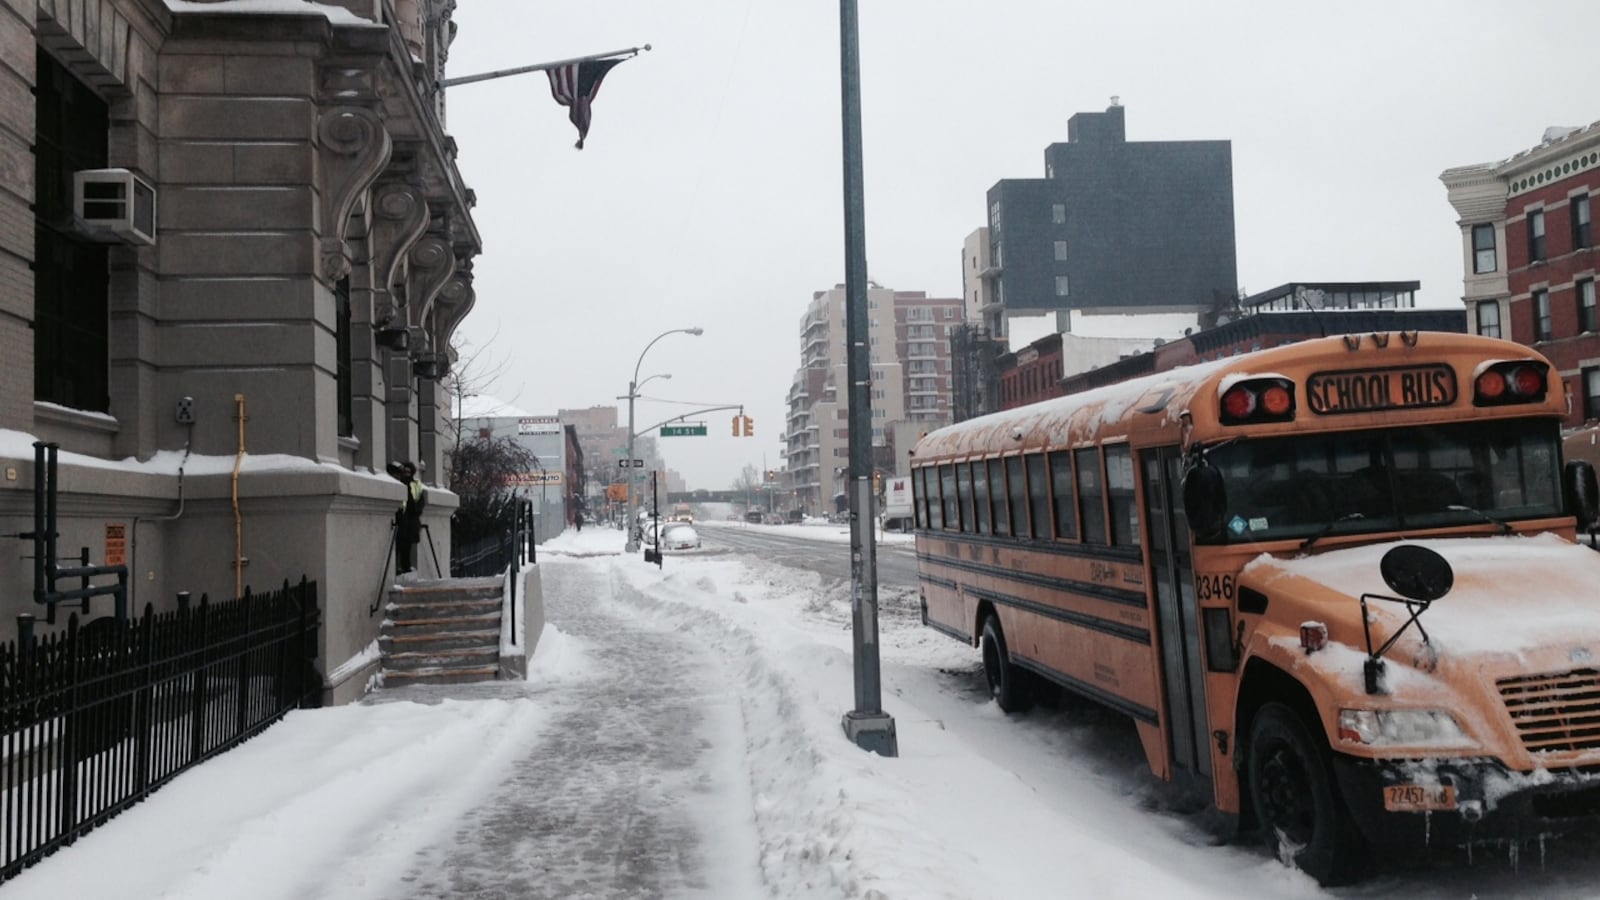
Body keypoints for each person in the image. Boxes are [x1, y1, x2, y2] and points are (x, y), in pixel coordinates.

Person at [387, 460, 426, 576]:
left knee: (408, 543)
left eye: (409, 472)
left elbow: (420, 499)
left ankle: (406, 565)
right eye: (405, 472)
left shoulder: (416, 484)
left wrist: (417, 511)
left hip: (412, 517)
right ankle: (397, 566)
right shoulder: (399, 483)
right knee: (399, 542)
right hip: (402, 516)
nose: (407, 474)